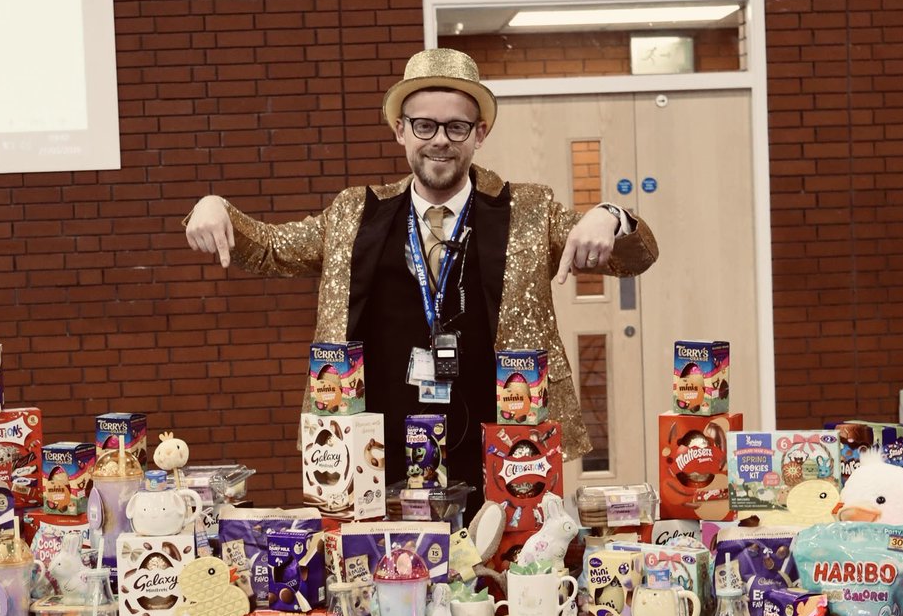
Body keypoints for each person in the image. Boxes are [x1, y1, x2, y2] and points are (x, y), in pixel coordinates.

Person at [185, 48, 659, 517]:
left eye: (456, 127)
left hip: (501, 436)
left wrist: (611, 214)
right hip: (376, 441)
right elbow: (271, 248)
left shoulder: (527, 211)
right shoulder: (355, 212)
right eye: (424, 126)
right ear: (401, 131)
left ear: (479, 135)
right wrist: (213, 206)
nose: (440, 141)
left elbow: (636, 258)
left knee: (506, 562)